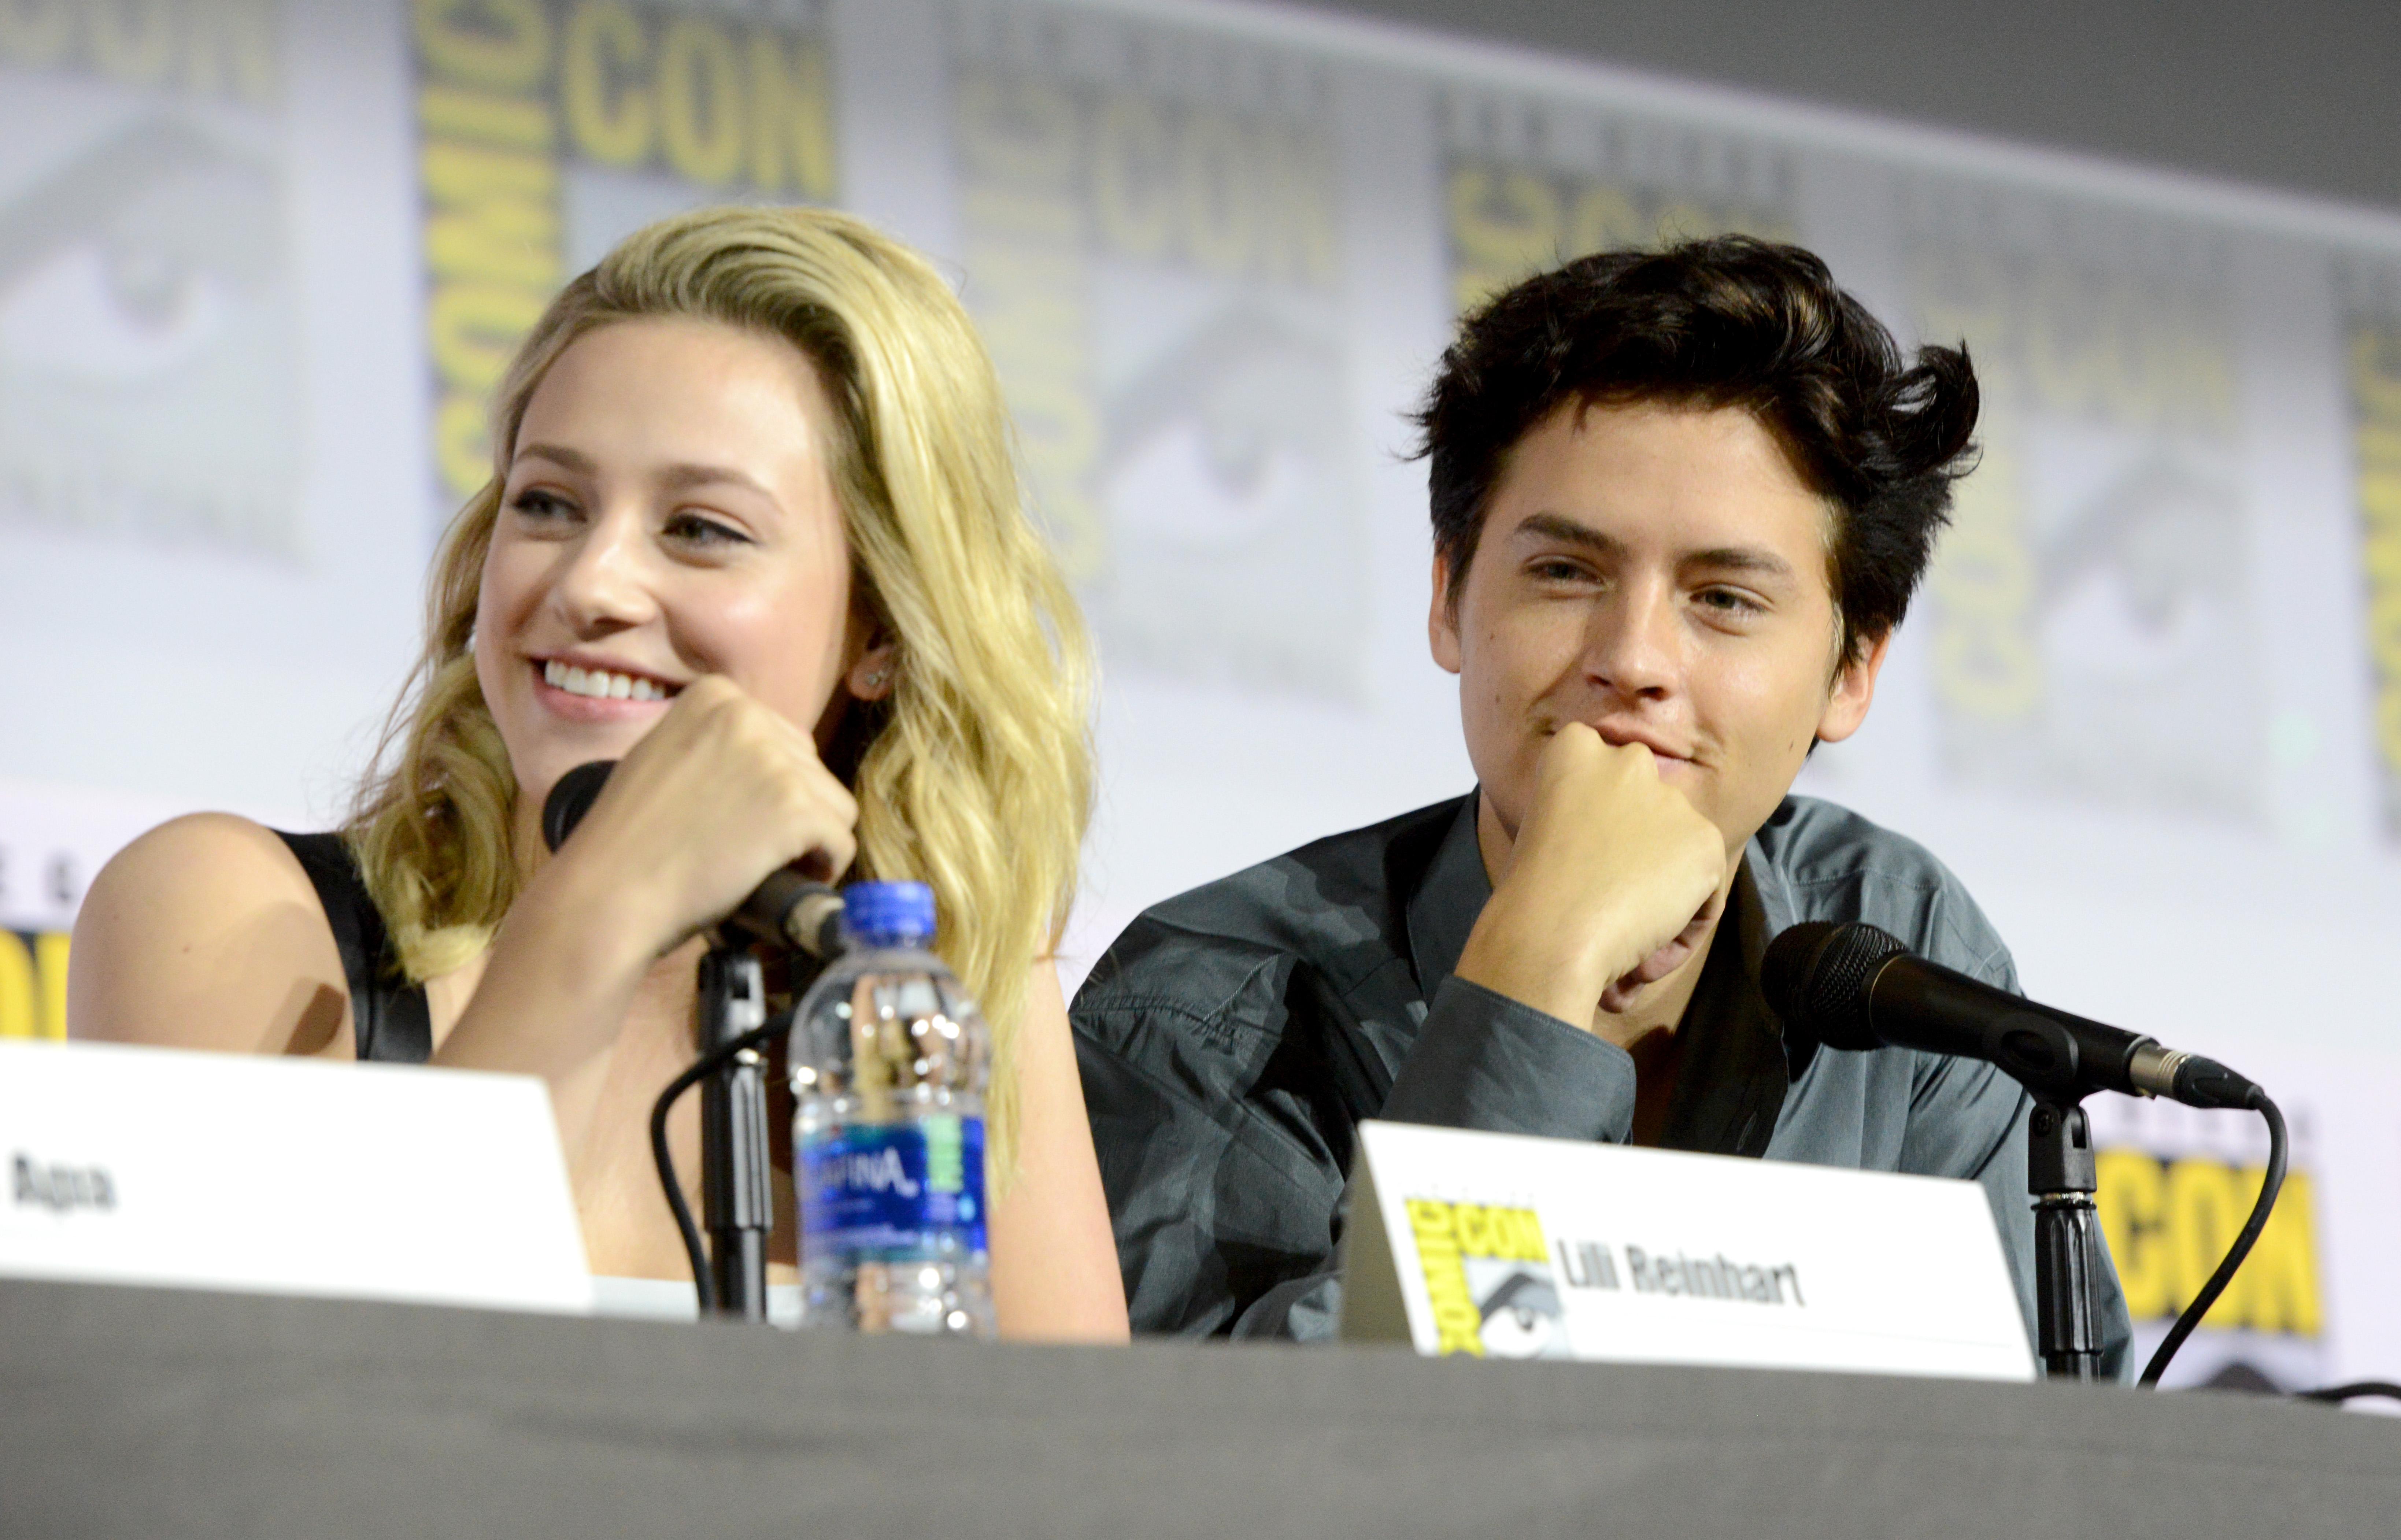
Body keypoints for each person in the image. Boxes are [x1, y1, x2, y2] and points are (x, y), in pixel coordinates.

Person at [69, 206, 1130, 1342]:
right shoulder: (222, 907)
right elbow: (267, 1432)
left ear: (880, 632)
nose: (590, 582)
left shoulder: (935, 978)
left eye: (700, 528)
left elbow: (1080, 1478)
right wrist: (603, 903)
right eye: (548, 504)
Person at [1070, 236, 2130, 1371]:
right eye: (1565, 574)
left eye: (1722, 599)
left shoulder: (1894, 941)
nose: (1632, 660)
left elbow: (2032, 1457)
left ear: (1853, 670)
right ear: (1447, 598)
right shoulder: (1196, 1007)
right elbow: (1255, 1477)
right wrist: (1537, 962)